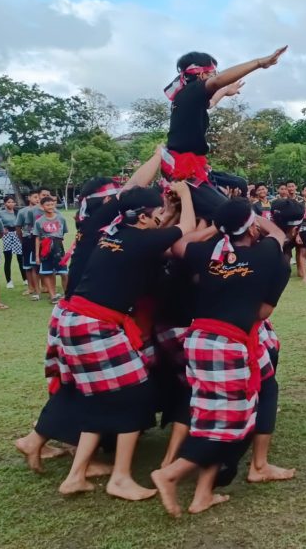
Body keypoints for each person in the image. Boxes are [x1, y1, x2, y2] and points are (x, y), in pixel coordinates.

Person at [152, 197, 293, 517]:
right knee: (233, 425)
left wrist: (216, 227)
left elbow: (182, 242)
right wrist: (257, 219)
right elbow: (280, 237)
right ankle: (171, 473)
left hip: (199, 341)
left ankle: (202, 494)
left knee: (210, 420)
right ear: (253, 225)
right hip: (227, 346)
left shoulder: (207, 253)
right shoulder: (266, 255)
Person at [55, 182, 195, 499]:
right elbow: (184, 229)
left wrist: (168, 210)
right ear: (144, 218)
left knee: (102, 397)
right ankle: (120, 478)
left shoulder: (116, 234)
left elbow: (159, 233)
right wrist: (185, 196)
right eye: (157, 213)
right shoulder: (140, 242)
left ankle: (77, 474)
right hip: (96, 326)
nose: (161, 217)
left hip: (76, 322)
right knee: (137, 393)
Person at [162, 47, 287, 220]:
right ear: (201, 75)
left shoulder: (188, 96)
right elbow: (218, 82)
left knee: (240, 184)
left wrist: (226, 91)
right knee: (232, 215)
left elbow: (211, 102)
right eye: (213, 73)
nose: (216, 76)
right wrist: (259, 62)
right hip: (183, 169)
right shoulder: (192, 91)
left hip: (193, 164)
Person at [33, 196, 69, 304]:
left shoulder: (61, 218)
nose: (50, 207)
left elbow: (62, 235)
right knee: (47, 273)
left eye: (52, 204)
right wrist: (37, 256)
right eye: (47, 205)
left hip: (58, 248)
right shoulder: (39, 221)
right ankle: (52, 295)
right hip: (45, 249)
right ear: (42, 206)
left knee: (64, 273)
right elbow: (37, 238)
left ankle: (67, 295)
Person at [0, 196, 24, 288]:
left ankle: (25, 279)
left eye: (12, 202)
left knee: (20, 258)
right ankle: (9, 281)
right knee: (8, 259)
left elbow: (22, 223)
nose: (11, 204)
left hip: (17, 234)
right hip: (7, 235)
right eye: (8, 202)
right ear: (5, 203)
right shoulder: (0, 213)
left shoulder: (18, 213)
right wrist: (2, 230)